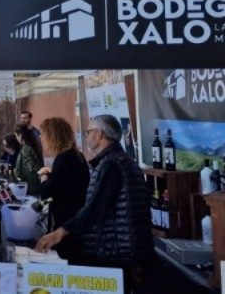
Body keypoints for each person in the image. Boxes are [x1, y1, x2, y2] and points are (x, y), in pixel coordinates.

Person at [35, 114, 154, 293]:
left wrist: (60, 232)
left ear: (98, 134)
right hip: (125, 249)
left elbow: (95, 208)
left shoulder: (112, 164)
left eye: (88, 132)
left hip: (114, 250)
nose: (86, 136)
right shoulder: (120, 160)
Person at [35, 117, 90, 261]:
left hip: (67, 225)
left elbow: (47, 195)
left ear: (53, 137)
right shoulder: (76, 156)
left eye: (44, 135)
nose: (42, 139)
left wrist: (43, 177)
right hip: (73, 223)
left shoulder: (65, 159)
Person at [14, 123, 43, 196]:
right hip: (32, 190)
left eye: (16, 136)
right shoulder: (32, 147)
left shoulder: (26, 151)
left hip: (29, 192)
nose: (16, 139)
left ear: (20, 135)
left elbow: (31, 174)